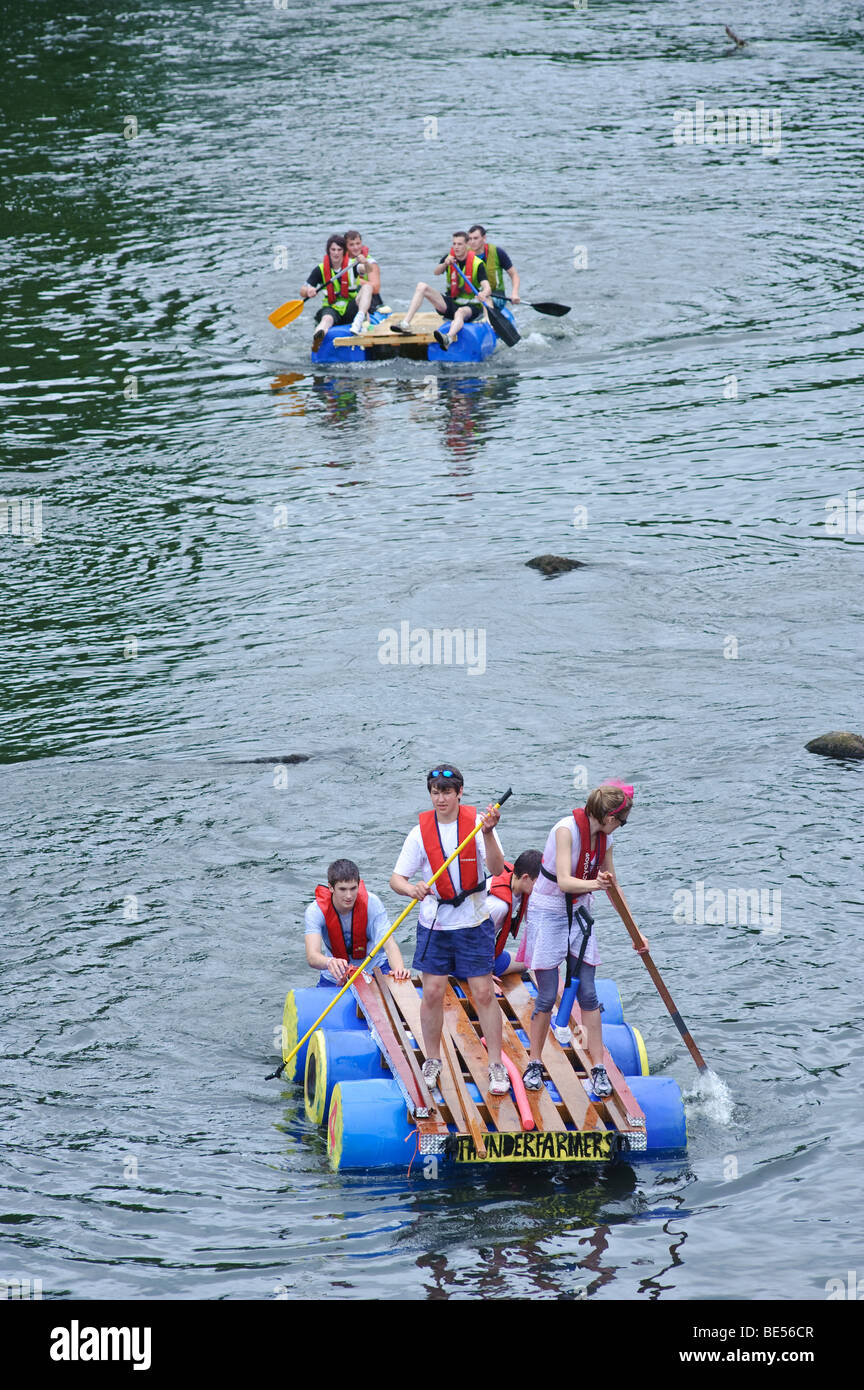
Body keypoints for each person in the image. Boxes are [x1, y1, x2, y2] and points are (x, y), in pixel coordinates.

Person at [389, 764, 509, 1095]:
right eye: (435, 792)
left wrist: (488, 833)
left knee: (483, 993)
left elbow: (498, 869)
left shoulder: (478, 826)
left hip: (473, 922)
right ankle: (432, 1060)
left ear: (459, 793)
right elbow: (396, 879)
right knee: (431, 993)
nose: (440, 798)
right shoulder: (418, 834)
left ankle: (496, 1065)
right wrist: (411, 889)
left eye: (446, 792)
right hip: (435, 924)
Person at [519, 782, 642, 1098]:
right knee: (547, 995)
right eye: (622, 821)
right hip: (549, 909)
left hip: (580, 909)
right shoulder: (566, 831)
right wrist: (595, 884)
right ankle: (534, 1062)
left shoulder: (606, 838)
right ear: (609, 816)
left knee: (588, 992)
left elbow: (612, 885)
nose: (621, 827)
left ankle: (598, 1068)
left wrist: (636, 932)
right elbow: (563, 880)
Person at [305, 858, 410, 987]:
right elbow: (312, 956)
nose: (349, 896)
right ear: (331, 887)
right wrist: (329, 962)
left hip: (374, 970)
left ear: (359, 885)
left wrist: (399, 969)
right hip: (336, 975)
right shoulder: (315, 911)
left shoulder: (372, 903)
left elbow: (389, 945)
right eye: (342, 889)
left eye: (353, 888)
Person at [391, 232, 493, 351]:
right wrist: (445, 263)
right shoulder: (449, 258)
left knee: (459, 312)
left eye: (459, 244)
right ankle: (405, 323)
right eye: (454, 244)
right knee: (421, 286)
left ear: (467, 245)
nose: (456, 247)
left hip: (471, 308)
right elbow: (436, 272)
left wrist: (484, 293)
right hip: (451, 303)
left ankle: (448, 338)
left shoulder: (477, 264)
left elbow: (487, 287)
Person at [300, 234, 375, 352]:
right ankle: (317, 341)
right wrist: (308, 291)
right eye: (333, 249)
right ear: (328, 251)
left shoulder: (352, 265)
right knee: (326, 319)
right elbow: (303, 290)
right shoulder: (320, 269)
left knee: (367, 287)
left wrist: (365, 262)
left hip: (351, 307)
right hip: (332, 307)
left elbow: (368, 270)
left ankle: (359, 320)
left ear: (344, 251)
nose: (336, 253)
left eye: (339, 250)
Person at [486, 849, 542, 978]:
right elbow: (472, 939)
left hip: (481, 952)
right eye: (540, 882)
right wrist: (485, 976)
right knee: (526, 964)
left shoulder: (516, 882)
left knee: (533, 962)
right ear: (525, 877)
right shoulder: (498, 906)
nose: (542, 888)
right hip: (465, 959)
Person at [467, 225, 520, 309]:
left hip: (496, 295)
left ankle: (488, 318)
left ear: (484, 238)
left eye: (476, 238)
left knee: (486, 300)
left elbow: (514, 275)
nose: (472, 242)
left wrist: (514, 293)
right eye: (470, 239)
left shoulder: (498, 252)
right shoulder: (464, 255)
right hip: (474, 295)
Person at [344, 229, 384, 324]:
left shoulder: (370, 262)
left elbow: (376, 288)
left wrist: (353, 281)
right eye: (351, 245)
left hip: (370, 298)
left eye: (358, 244)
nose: (356, 247)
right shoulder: (341, 262)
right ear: (346, 246)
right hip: (348, 299)